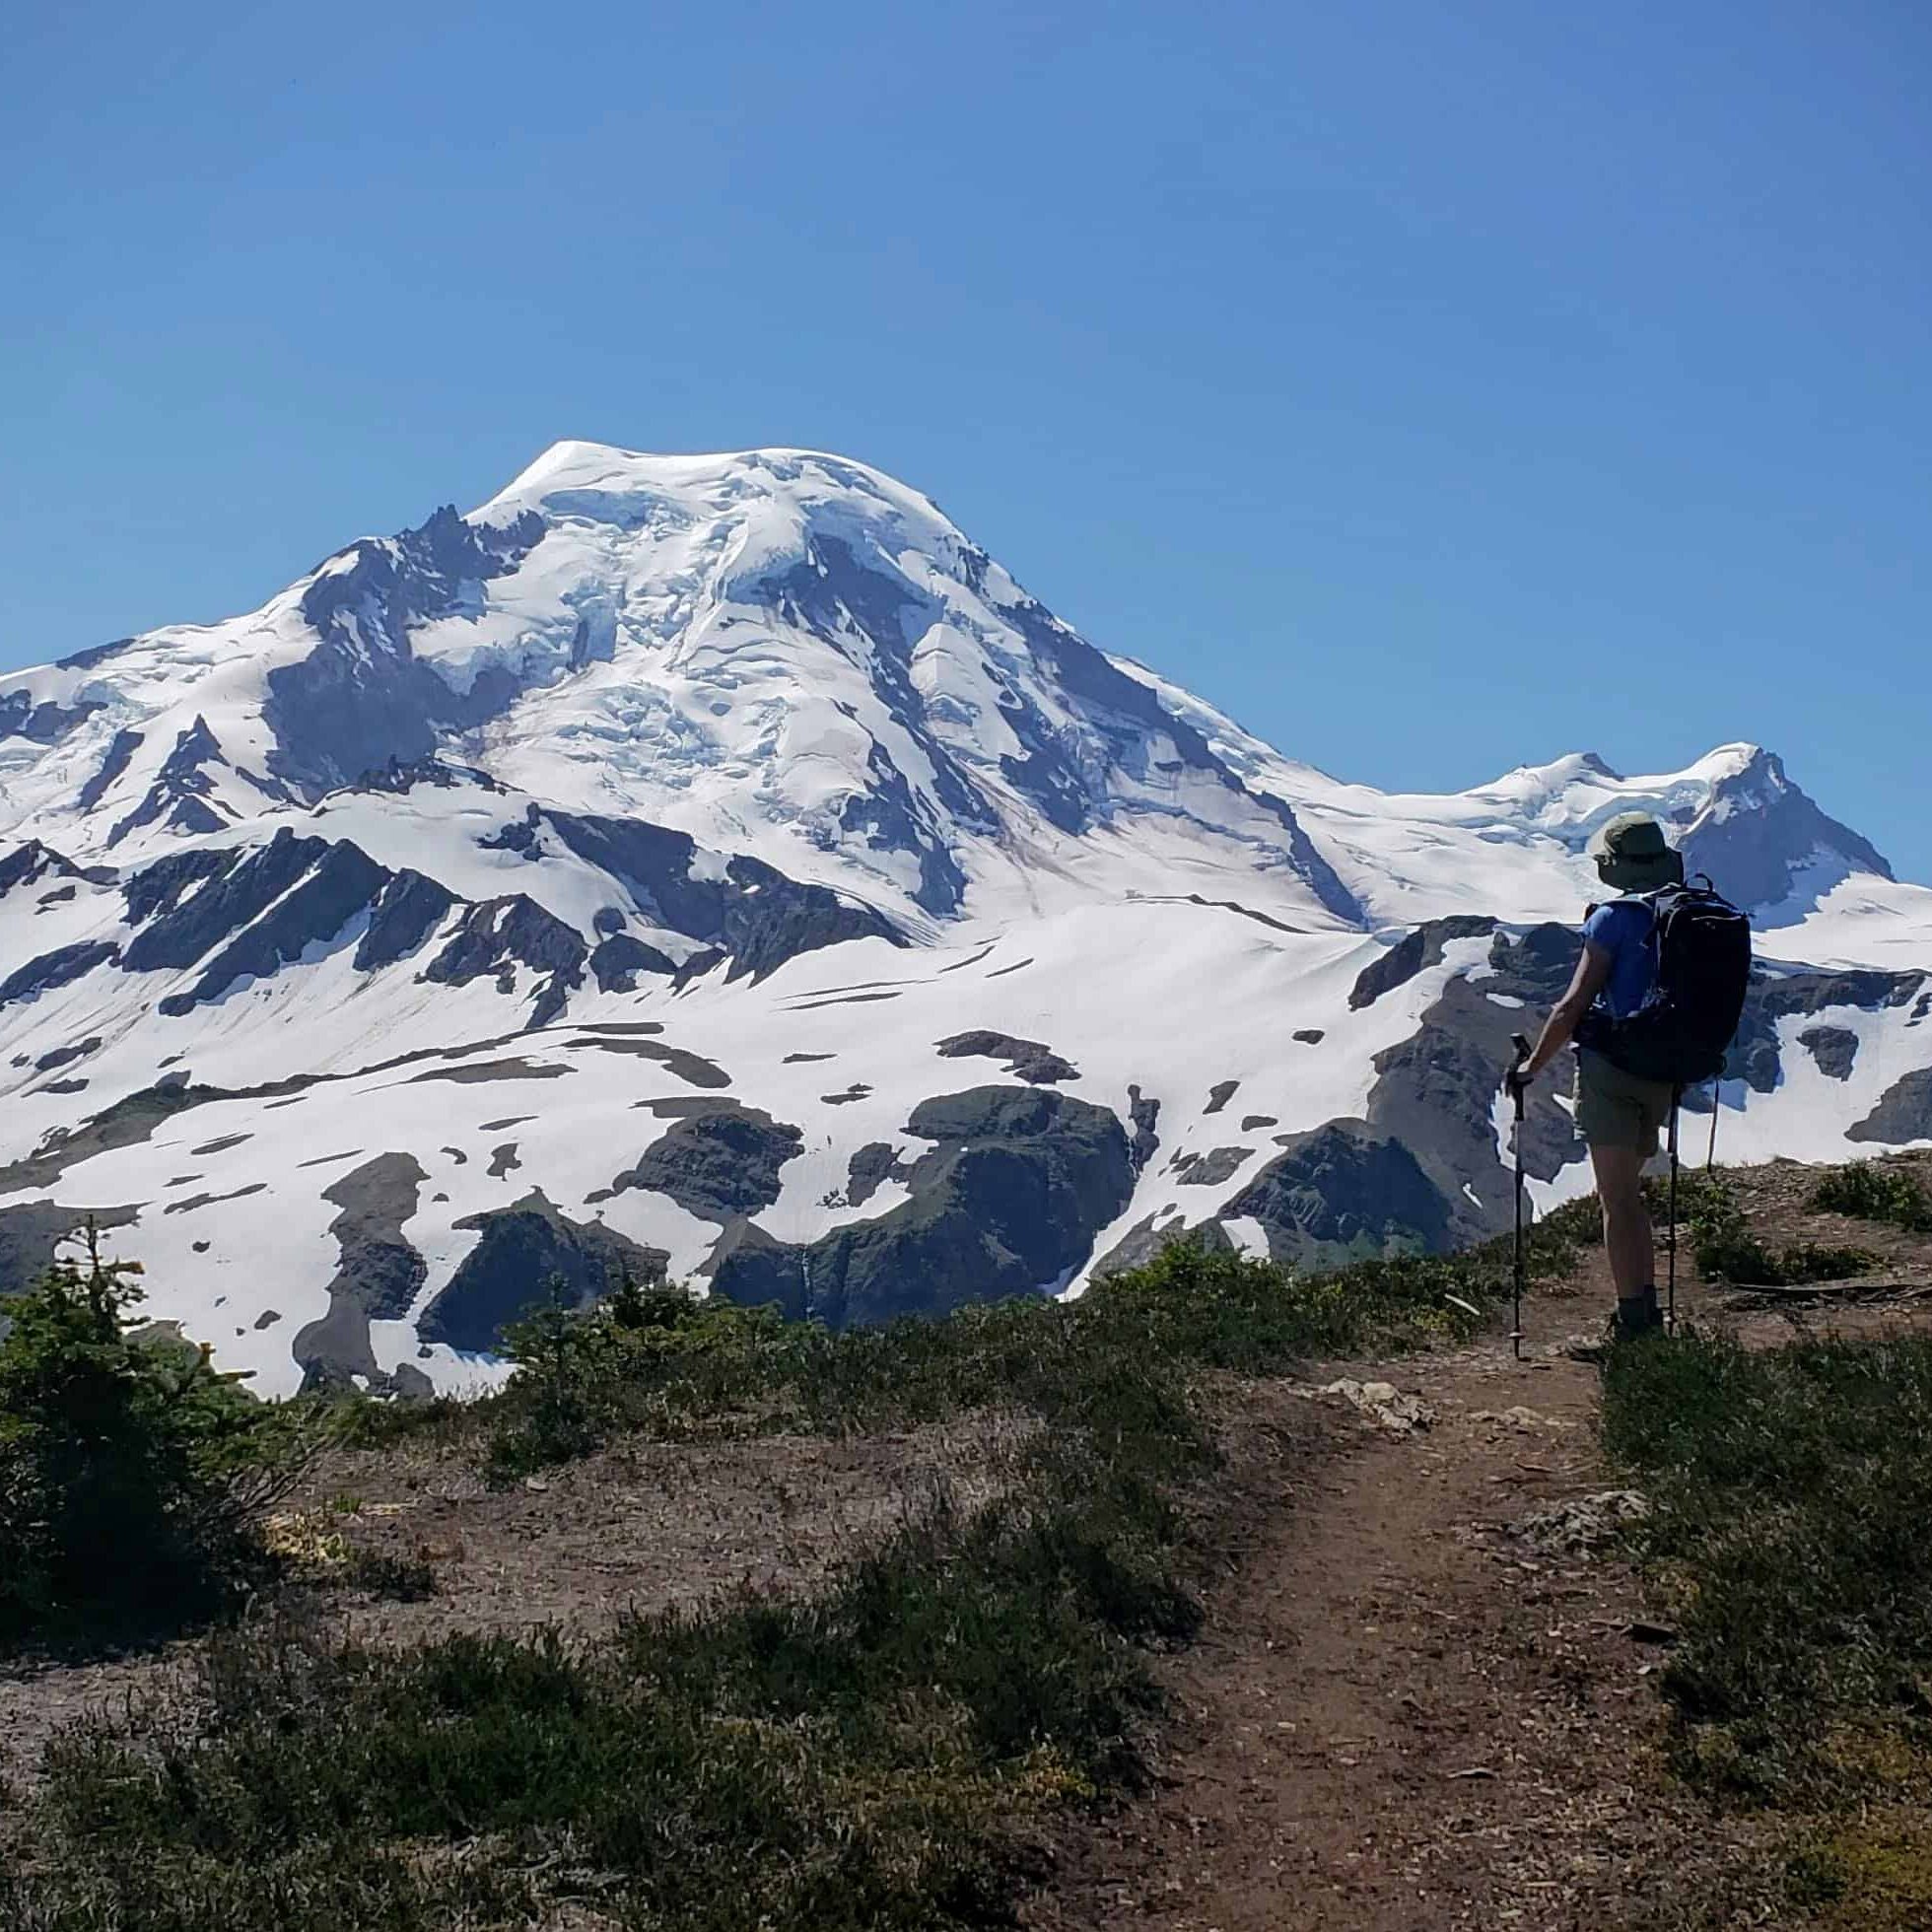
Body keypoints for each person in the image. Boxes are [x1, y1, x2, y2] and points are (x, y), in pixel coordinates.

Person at [1505, 813, 1685, 1343]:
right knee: (1633, 1196)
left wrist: (1531, 1068)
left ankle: (1633, 1323)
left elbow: (1572, 1006)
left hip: (1612, 1072)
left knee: (1618, 1200)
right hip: (1664, 1073)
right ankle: (1647, 1310)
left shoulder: (1613, 919)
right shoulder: (1685, 916)